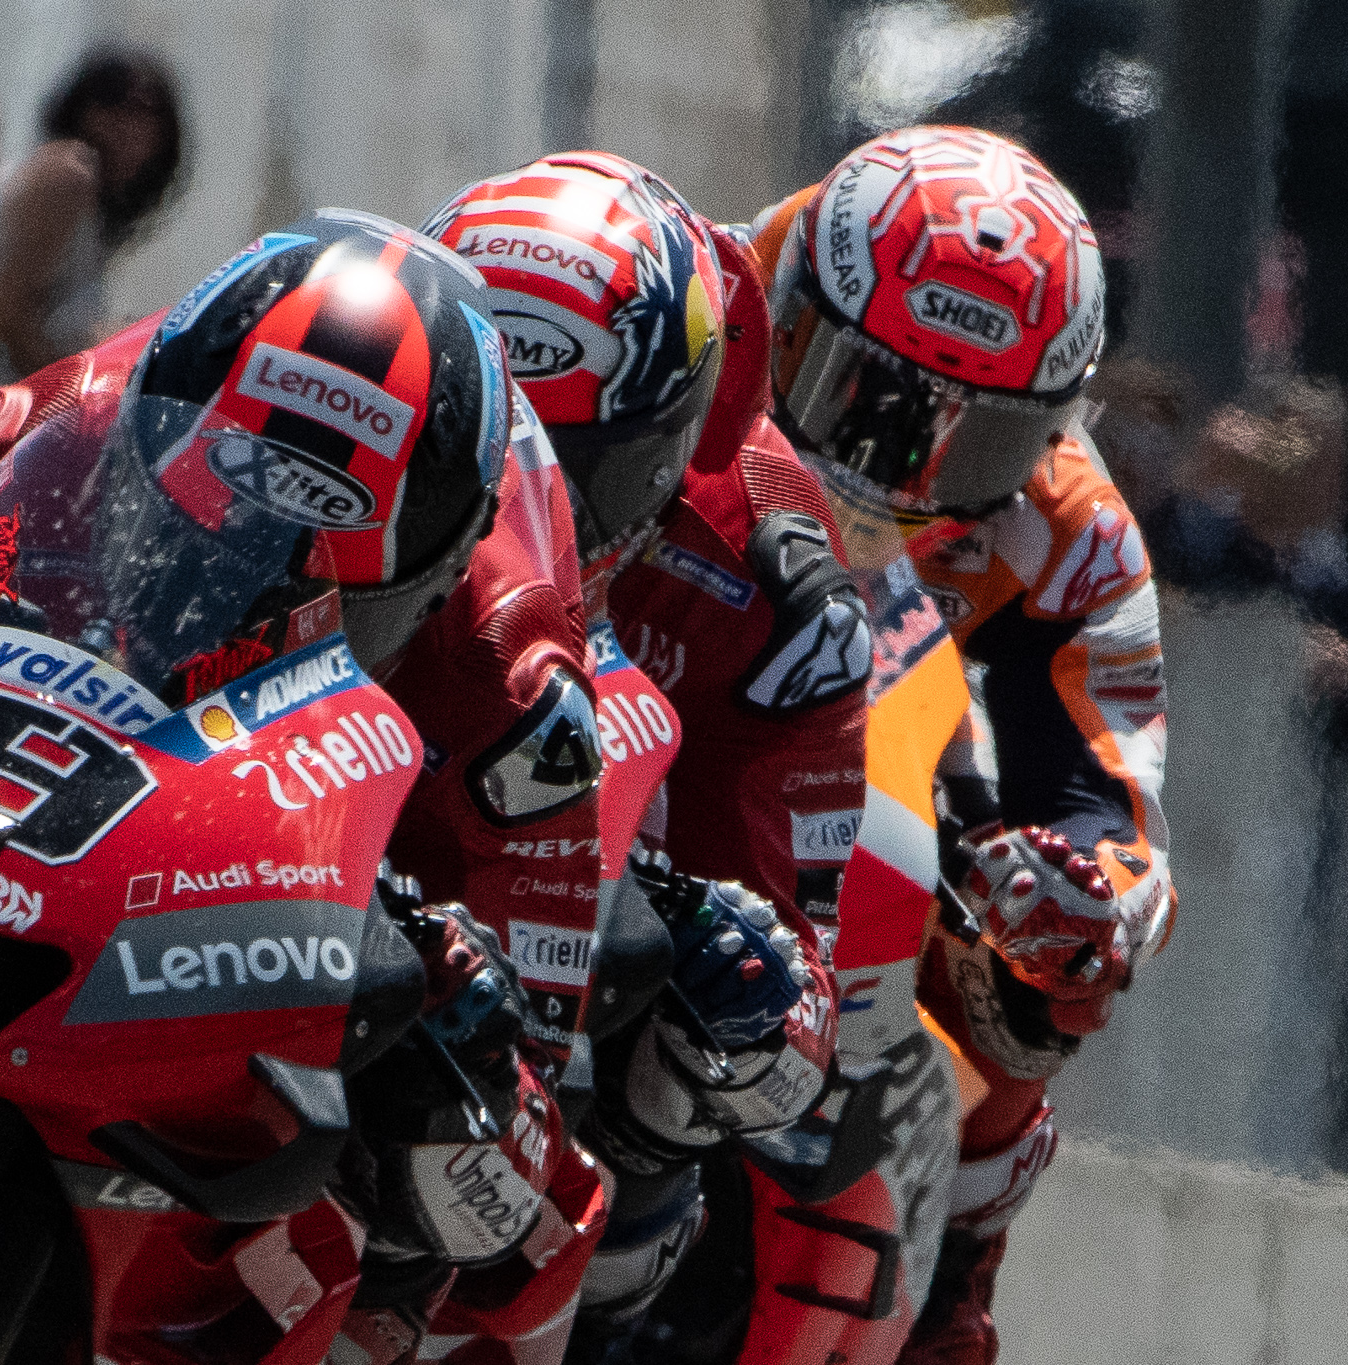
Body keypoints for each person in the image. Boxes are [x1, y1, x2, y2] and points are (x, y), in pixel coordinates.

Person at [0, 209, 615, 1361]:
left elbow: (524, 1155)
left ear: (431, 573)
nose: (242, 575)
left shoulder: (510, 683)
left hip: (253, 985)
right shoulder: (39, 429)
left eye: (316, 562)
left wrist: (461, 1032)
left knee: (424, 1271)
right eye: (207, 521)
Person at [691, 124, 1174, 1365]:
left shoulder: (1071, 533)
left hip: (864, 760)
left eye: (977, 439)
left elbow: (1117, 813)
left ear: (1049, 426)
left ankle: (953, 1271)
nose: (901, 474)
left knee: (1048, 970)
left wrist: (1076, 893)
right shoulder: (680, 303)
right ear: (788, 316)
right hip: (638, 667)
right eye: (868, 397)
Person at [422, 151, 866, 1358]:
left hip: (568, 923)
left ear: (675, 441)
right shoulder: (363, 388)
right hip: (325, 817)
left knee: (715, 1034)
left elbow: (801, 1007)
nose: (517, 504)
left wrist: (711, 951)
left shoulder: (776, 582)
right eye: (474, 439)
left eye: (573, 466)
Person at [0, 47, 182, 375]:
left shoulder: (92, 203)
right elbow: (1, 316)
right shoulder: (67, 174)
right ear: (81, 110)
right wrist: (69, 387)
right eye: (114, 105)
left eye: (147, 114)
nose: (130, 128)